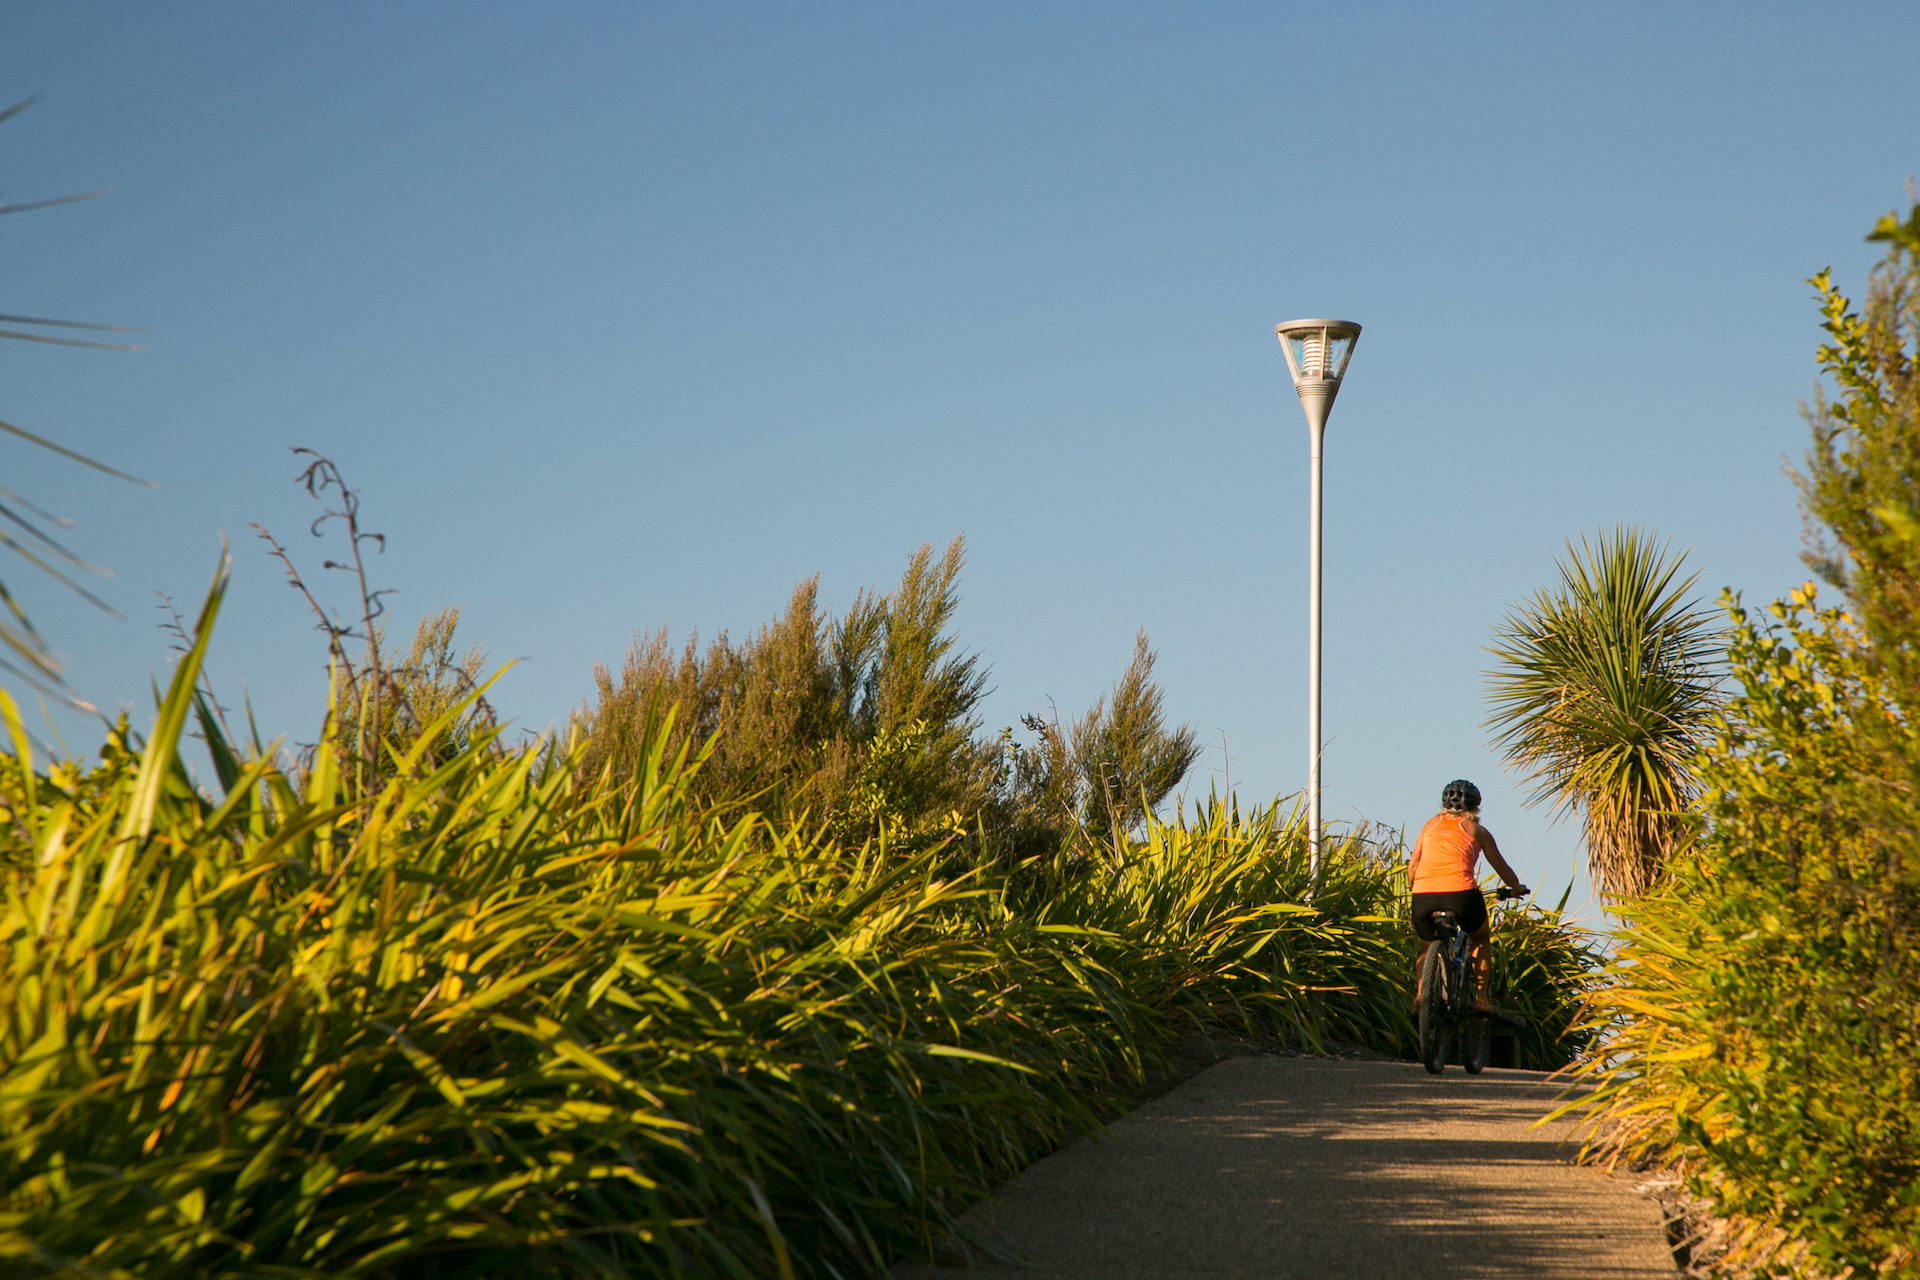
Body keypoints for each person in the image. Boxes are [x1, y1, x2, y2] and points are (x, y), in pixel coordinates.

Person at [1408, 779, 1527, 1014]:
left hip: (1423, 895)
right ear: (1475, 807)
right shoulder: (1477, 831)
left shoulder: (1429, 826)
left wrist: (1417, 887)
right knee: (1480, 938)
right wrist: (1515, 888)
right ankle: (1481, 998)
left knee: (1425, 947)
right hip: (1460, 894)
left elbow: (1413, 866)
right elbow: (1503, 870)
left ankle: (1422, 994)